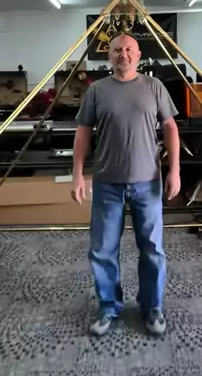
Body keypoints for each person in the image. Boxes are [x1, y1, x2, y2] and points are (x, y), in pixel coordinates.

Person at [71, 34, 180, 338]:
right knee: (103, 250)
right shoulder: (97, 90)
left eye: (129, 49)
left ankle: (152, 306)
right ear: (109, 55)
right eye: (117, 50)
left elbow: (170, 127)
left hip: (148, 183)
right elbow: (82, 132)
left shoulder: (154, 87)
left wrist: (175, 170)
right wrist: (77, 174)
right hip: (107, 184)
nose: (124, 54)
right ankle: (109, 306)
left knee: (153, 250)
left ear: (139, 55)